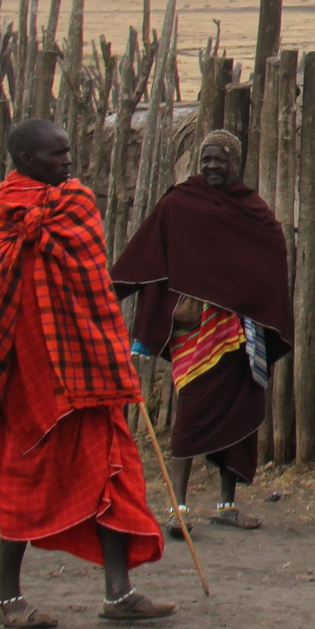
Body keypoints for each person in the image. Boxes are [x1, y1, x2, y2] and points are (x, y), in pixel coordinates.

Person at [0, 117, 171, 628]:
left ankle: (119, 594)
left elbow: (93, 287)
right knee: (24, 473)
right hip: (27, 372)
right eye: (58, 155)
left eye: (68, 152)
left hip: (85, 368)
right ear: (26, 160)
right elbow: (1, 288)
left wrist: (110, 356)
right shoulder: (5, 208)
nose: (68, 162)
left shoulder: (75, 203)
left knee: (109, 472)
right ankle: (5, 598)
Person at [112, 128, 292, 531]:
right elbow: (145, 251)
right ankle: (179, 509)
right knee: (192, 412)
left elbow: (272, 255)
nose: (212, 166)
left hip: (240, 330)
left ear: (235, 162)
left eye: (220, 160)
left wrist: (253, 299)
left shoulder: (252, 210)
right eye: (206, 160)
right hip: (196, 331)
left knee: (243, 410)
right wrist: (111, 292)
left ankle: (227, 506)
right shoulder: (180, 203)